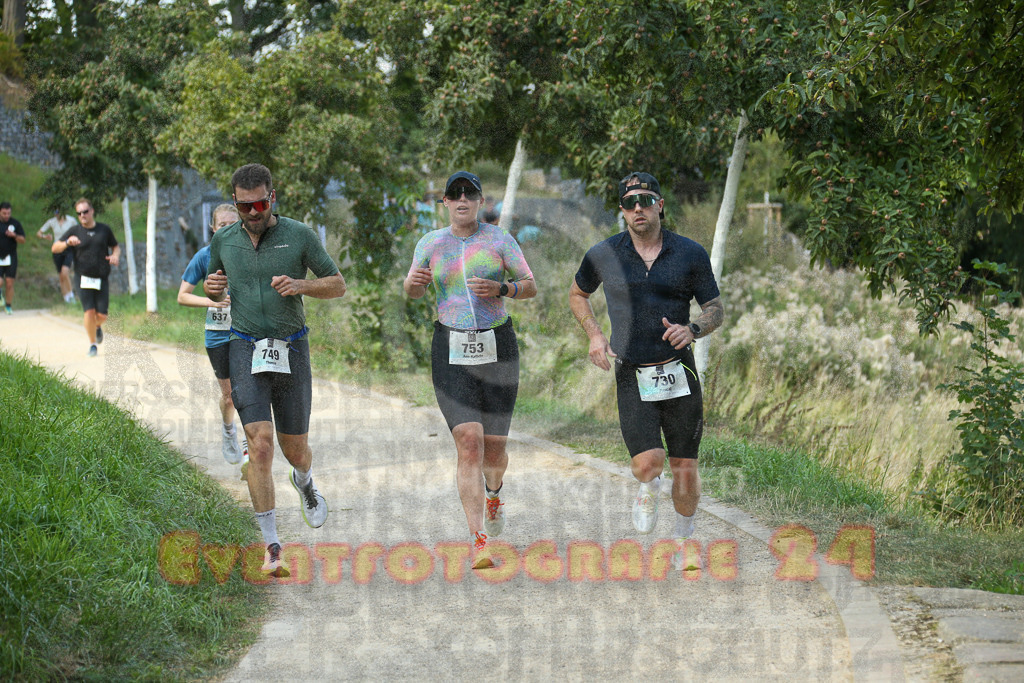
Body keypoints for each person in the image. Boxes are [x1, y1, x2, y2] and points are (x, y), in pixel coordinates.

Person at [568, 172, 724, 570]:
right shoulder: (605, 253)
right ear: (622, 211)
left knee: (685, 468)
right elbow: (578, 294)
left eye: (646, 200)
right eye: (630, 202)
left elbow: (715, 310)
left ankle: (683, 541)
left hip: (679, 373)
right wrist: (595, 336)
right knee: (646, 463)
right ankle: (647, 486)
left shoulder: (690, 253)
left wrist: (692, 330)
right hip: (632, 371)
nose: (639, 208)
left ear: (660, 205)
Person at [205, 163, 346, 577]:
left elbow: (337, 284)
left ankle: (304, 483)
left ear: (273, 197)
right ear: (235, 202)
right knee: (260, 444)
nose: (253, 212)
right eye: (245, 205)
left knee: (294, 448)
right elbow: (215, 282)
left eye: (261, 203)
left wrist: (302, 285)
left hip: (292, 350)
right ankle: (271, 546)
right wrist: (214, 289)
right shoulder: (224, 241)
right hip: (244, 347)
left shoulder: (299, 235)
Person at [403, 170, 537, 568]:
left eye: (470, 193)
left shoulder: (499, 240)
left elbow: (529, 284)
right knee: (469, 442)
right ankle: (479, 540)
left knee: (494, 449)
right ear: (444, 202)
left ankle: (494, 493)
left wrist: (502, 289)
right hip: (451, 347)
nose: (462, 199)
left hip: (497, 346)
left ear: (480, 201)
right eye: (454, 194)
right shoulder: (430, 243)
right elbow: (413, 290)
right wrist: (412, 282)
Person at [177, 203, 249, 473]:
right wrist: (212, 303)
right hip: (217, 336)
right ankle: (228, 429)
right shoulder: (204, 257)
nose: (228, 229)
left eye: (234, 224)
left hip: (245, 333)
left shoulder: (249, 254)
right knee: (229, 396)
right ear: (213, 228)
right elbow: (182, 296)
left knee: (247, 393)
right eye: (223, 225)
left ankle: (247, 446)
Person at [52, 198, 120, 356]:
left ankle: (96, 327)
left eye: (85, 211)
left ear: (92, 211)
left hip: (101, 277)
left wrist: (115, 256)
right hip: (82, 277)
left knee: (102, 315)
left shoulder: (104, 230)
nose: (82, 215)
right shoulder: (74, 231)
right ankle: (92, 344)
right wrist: (68, 242)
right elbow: (55, 248)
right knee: (89, 312)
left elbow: (115, 246)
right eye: (79, 213)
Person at [37, 208, 79, 303]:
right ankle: (66, 298)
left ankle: (71, 296)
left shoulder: (71, 220)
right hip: (57, 248)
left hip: (68, 247)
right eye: (55, 213)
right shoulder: (52, 221)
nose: (57, 215)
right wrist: (45, 236)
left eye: (58, 212)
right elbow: (39, 233)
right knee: (60, 275)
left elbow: (79, 231)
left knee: (65, 272)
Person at [0, 201, 26, 315]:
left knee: (10, 283)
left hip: (11, 257)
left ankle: (8, 306)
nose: (7, 216)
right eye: (4, 213)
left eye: (8, 213)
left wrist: (14, 235)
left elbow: (23, 240)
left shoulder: (15, 223)